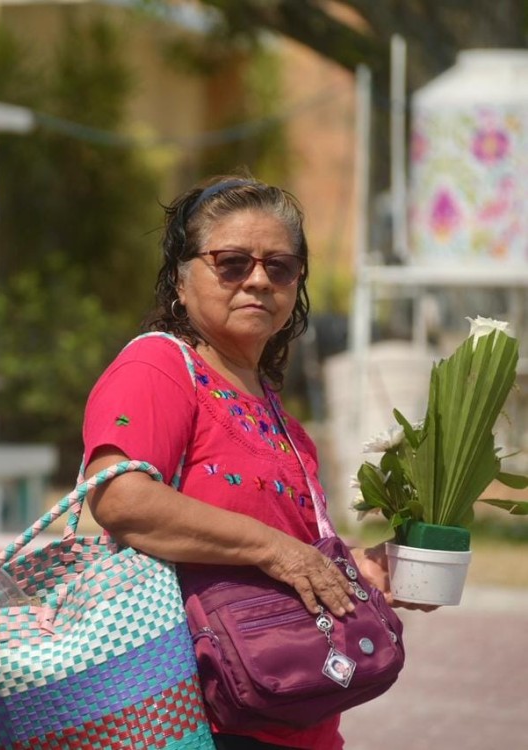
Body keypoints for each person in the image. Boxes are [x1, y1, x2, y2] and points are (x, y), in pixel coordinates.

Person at [81, 174, 415, 750]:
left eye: (279, 267)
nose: (258, 280)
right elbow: (121, 499)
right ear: (181, 278)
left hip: (293, 712)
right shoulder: (159, 367)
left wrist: (360, 568)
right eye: (232, 263)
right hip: (193, 721)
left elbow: (281, 563)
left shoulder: (282, 419)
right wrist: (277, 550)